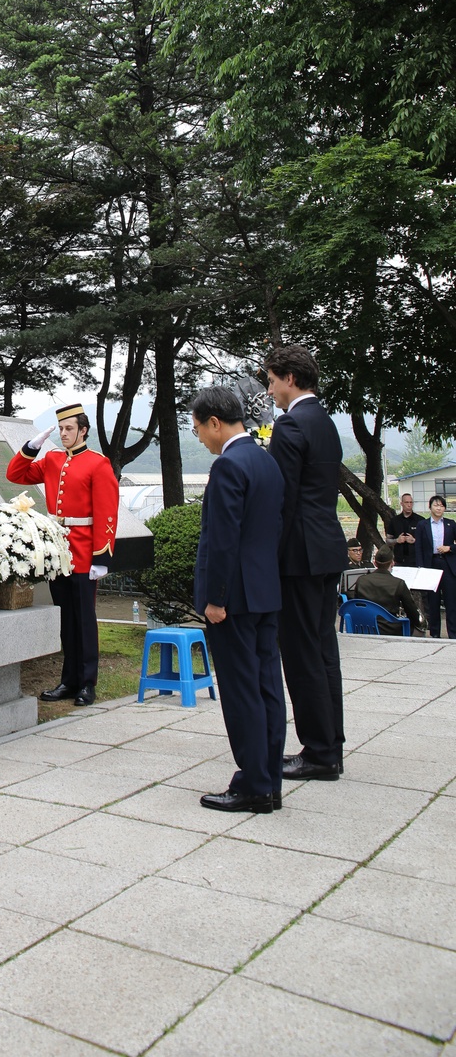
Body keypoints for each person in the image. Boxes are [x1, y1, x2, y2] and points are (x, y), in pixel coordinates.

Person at [191, 386, 286, 815]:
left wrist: (216, 598)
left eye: (198, 430)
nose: (199, 438)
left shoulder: (229, 465)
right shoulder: (266, 460)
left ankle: (251, 784)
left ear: (215, 422)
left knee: (241, 690)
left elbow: (223, 539)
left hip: (235, 599)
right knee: (268, 687)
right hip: (265, 592)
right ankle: (269, 780)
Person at [265, 344, 347, 781]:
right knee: (323, 650)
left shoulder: (291, 423)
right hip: (327, 546)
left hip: (297, 554)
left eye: (273, 380)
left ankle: (317, 752)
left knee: (300, 654)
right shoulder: (326, 422)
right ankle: (331, 743)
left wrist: (265, 554)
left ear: (290, 379)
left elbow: (283, 499)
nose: (271, 389)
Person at [7, 402, 118, 706]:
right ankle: (69, 681)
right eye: (62, 429)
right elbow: (15, 474)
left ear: (83, 430)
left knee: (84, 619)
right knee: (65, 620)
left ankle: (87, 683)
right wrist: (32, 446)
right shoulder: (53, 459)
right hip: (59, 553)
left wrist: (101, 557)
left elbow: (107, 512)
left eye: (70, 429)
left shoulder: (98, 463)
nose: (65, 434)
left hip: (84, 552)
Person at [347, 546, 427, 635]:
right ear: (392, 563)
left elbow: (357, 604)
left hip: (365, 626)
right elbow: (412, 612)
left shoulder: (361, 580)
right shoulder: (399, 583)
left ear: (375, 563)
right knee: (420, 632)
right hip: (390, 630)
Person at [414, 495, 456, 638]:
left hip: (447, 564)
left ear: (444, 508)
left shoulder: (451, 524)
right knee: (433, 602)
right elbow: (418, 547)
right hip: (431, 564)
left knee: (451, 601)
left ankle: (453, 634)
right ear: (430, 507)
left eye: (441, 506)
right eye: (436, 505)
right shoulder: (422, 525)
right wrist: (421, 568)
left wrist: (449, 548)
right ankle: (435, 634)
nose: (439, 508)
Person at [385, 493, 423, 567]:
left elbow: (427, 541)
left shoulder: (420, 521)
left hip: (416, 560)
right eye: (406, 502)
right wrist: (397, 540)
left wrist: (415, 540)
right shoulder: (395, 521)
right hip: (399, 561)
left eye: (411, 502)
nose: (409, 505)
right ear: (401, 503)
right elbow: (388, 541)